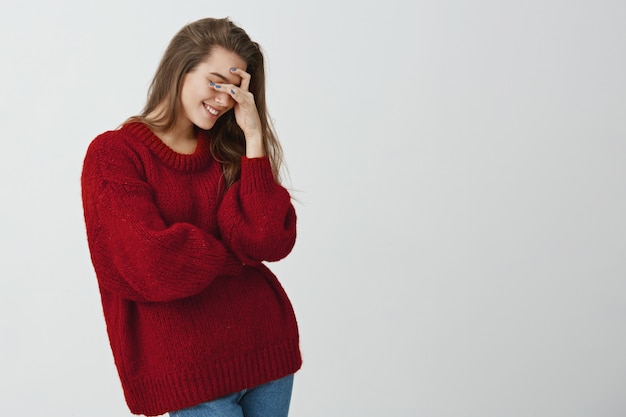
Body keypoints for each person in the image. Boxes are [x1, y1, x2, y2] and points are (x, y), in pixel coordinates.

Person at [81, 17, 301, 417]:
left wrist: (254, 138)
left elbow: (268, 241)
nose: (223, 99)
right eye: (216, 82)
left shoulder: (228, 153)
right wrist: (230, 257)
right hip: (193, 375)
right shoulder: (115, 155)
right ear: (181, 69)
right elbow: (151, 262)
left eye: (234, 91)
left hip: (266, 351)